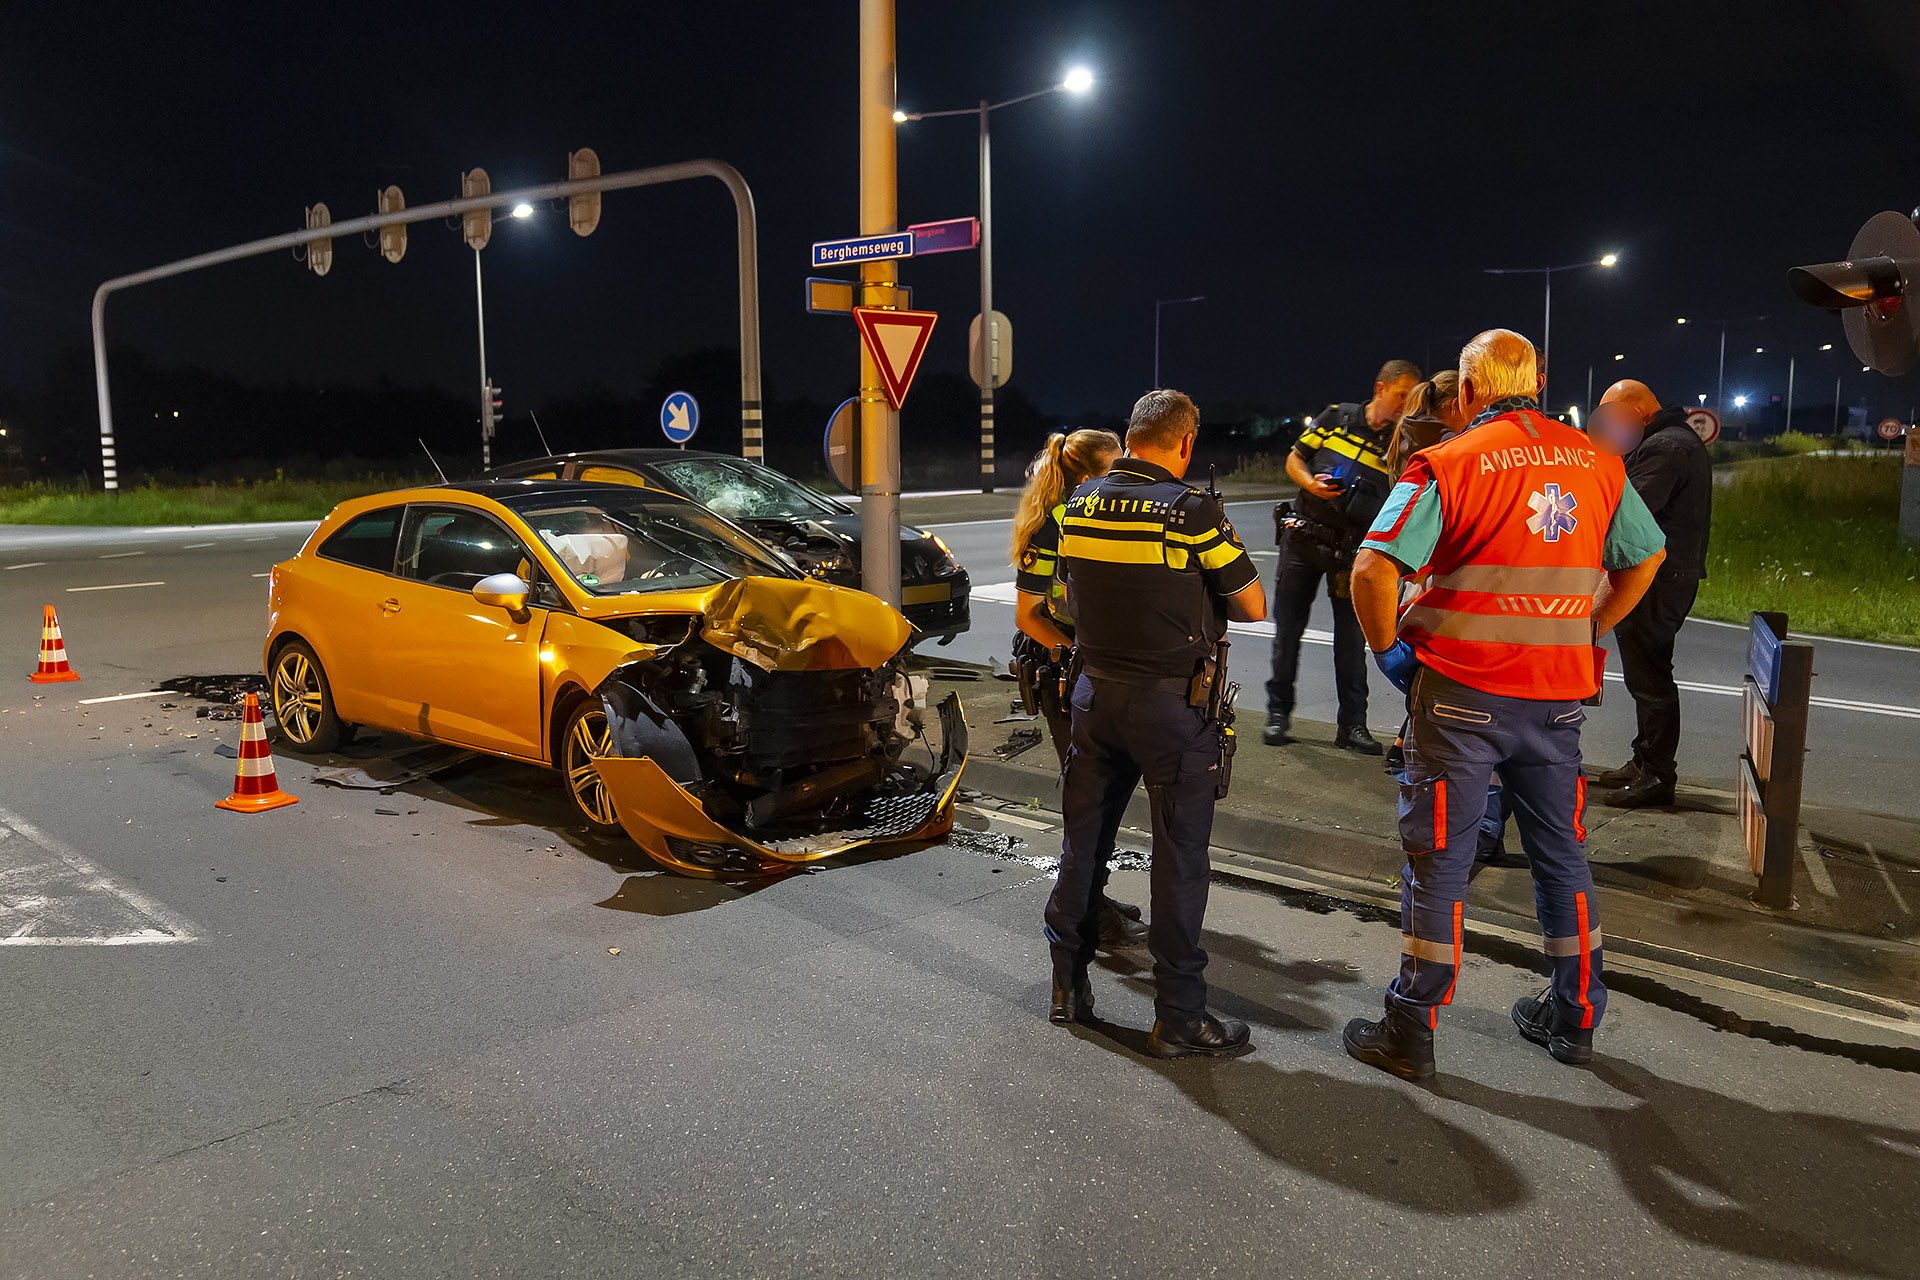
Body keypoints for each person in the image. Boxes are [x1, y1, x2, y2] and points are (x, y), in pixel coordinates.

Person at [1340, 330, 1667, 1081]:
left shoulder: (1448, 461)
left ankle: (1410, 1025)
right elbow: (1646, 556)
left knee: (1440, 862)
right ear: (1538, 383)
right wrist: (1591, 625)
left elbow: (1371, 569)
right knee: (1561, 857)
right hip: (1556, 699)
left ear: (1467, 391)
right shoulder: (1599, 465)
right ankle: (1577, 1016)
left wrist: (1389, 648)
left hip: (1460, 695)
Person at [1043, 389, 1267, 1058]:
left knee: (1084, 846)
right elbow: (1252, 603)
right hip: (1172, 708)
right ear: (1184, 442)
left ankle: (1067, 987)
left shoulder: (1076, 504)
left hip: (1092, 694)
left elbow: (1063, 597)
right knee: (1179, 861)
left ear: (1130, 436)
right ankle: (1179, 1017)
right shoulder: (1193, 511)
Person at [1010, 428, 1147, 948]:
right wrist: (1075, 655)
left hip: (1088, 669)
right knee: (1088, 800)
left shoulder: (1094, 515)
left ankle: (1094, 894)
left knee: (1103, 794)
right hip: (1061, 671)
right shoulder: (1051, 525)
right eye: (1115, 470)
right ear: (1089, 476)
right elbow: (1028, 616)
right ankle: (1083, 912)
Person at [1263, 359, 1423, 754]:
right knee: (1287, 633)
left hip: (1350, 551)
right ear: (1380, 388)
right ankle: (1277, 715)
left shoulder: (1402, 443)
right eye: (1402, 394)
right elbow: (1294, 459)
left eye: (1411, 398)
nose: (1406, 404)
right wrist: (1311, 487)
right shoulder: (1336, 417)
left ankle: (1352, 726)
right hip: (1302, 540)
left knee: (1351, 642)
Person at [1589, 379, 1714, 809]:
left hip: (1660, 578)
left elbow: (1631, 508)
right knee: (1646, 674)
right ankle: (1645, 761)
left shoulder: (1666, 448)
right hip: (1669, 573)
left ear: (1636, 412)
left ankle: (1658, 775)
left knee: (1652, 678)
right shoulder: (1672, 440)